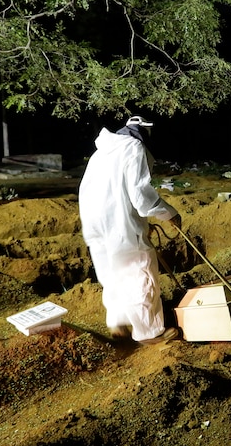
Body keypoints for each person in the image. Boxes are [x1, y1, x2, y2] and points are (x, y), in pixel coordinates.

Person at [78, 115, 182, 343]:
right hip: (119, 223)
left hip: (94, 220)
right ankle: (149, 332)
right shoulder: (134, 148)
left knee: (112, 272)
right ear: (143, 133)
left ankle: (118, 323)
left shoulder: (101, 151)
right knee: (139, 271)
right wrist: (169, 213)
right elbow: (141, 196)